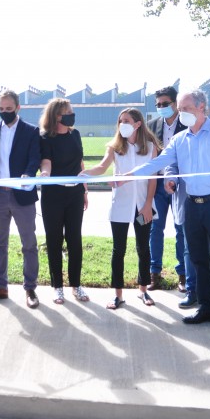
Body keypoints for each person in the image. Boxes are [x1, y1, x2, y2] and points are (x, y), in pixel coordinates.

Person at [123, 90, 210, 324]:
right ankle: (207, 307)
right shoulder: (179, 140)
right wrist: (129, 175)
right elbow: (158, 163)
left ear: (202, 107)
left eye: (186, 109)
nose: (182, 113)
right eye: (182, 109)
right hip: (192, 205)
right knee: (198, 258)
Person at [84, 108, 160, 309]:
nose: (122, 124)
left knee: (143, 248)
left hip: (143, 207)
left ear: (138, 124)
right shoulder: (114, 147)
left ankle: (143, 290)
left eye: (126, 120)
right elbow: (101, 168)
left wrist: (147, 206)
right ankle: (118, 295)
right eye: (120, 121)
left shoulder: (151, 147)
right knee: (119, 250)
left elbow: (153, 178)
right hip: (120, 207)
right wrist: (82, 174)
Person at [0, 89, 42, 309]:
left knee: (29, 243)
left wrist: (28, 174)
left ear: (18, 108)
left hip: (22, 195)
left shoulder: (31, 131)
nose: (5, 112)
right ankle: (0, 286)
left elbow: (35, 158)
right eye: (1, 109)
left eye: (9, 109)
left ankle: (30, 288)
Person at [146, 86, 196, 306]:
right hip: (157, 185)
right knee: (155, 228)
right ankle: (154, 273)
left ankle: (183, 275)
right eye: (158, 105)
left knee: (181, 229)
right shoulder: (152, 126)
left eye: (165, 104)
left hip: (180, 185)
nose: (161, 108)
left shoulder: (187, 124)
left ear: (175, 104)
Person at [39, 97, 88, 305]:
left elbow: (80, 162)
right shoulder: (45, 138)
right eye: (67, 111)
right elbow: (46, 163)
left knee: (75, 241)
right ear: (57, 115)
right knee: (54, 240)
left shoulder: (75, 134)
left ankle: (76, 285)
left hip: (75, 194)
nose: (71, 114)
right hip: (53, 196)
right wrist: (44, 174)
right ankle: (57, 287)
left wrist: (84, 190)